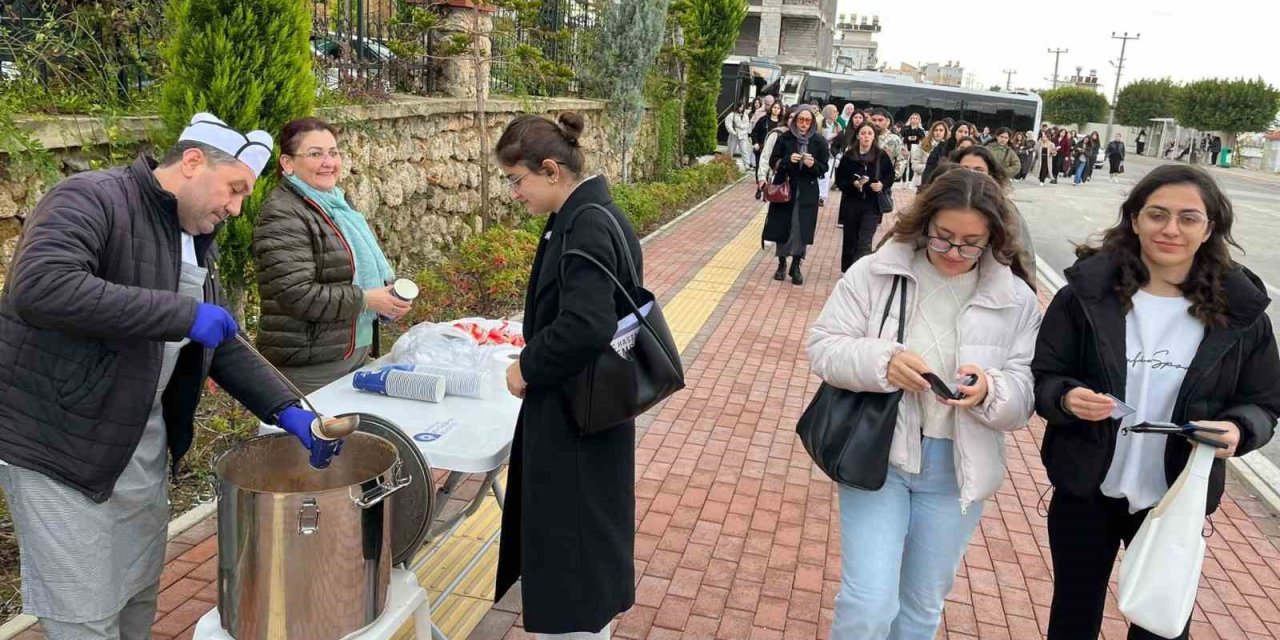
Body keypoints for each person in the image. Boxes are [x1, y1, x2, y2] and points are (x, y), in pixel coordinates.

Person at [0, 112, 326, 640]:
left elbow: (217, 341)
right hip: (58, 445)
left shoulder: (196, 235)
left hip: (137, 442)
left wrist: (290, 410)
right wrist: (181, 314)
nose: (236, 209)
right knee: (84, 609)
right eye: (235, 190)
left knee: (136, 590)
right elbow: (41, 287)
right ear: (193, 162)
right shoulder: (89, 197)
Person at [1032, 164, 1280, 640]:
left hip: (1175, 496)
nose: (1171, 229)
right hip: (1087, 487)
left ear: (1210, 228)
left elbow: (1264, 402)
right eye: (1157, 214)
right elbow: (1045, 375)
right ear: (1135, 219)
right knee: (1072, 619)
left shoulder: (1240, 311)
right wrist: (1065, 397)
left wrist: (1240, 430)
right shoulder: (1087, 295)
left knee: (1161, 628)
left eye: (1189, 218)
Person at [810, 168, 1041, 640]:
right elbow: (823, 346)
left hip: (957, 471)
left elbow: (1025, 392)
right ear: (925, 222)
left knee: (920, 608)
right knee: (869, 602)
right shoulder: (877, 271)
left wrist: (991, 391)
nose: (955, 253)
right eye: (944, 238)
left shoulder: (1015, 299)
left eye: (971, 243)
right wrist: (882, 362)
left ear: (994, 237)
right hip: (881, 457)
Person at [494, 112, 642, 639]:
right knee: (580, 549)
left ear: (551, 170)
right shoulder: (588, 214)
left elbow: (587, 323)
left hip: (575, 416)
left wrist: (527, 366)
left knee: (572, 552)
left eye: (517, 180)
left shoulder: (587, 222)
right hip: (587, 410)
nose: (514, 193)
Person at [254, 118, 412, 394]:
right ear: (288, 163)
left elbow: (350, 270)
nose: (329, 162)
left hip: (352, 350)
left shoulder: (337, 203)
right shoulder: (283, 213)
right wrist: (366, 299)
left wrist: (387, 300)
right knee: (312, 436)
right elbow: (297, 295)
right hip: (311, 364)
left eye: (333, 152)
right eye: (315, 154)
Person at [947, 148, 1037, 291]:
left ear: (991, 175)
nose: (971, 175)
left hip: (990, 288)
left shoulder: (1006, 211)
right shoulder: (940, 204)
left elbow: (1024, 256)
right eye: (964, 169)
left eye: (979, 170)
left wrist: (1026, 290)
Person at [764, 104, 830, 285]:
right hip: (786, 188)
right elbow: (773, 161)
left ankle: (796, 265)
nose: (804, 124)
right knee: (783, 225)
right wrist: (787, 160)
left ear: (813, 123)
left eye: (808, 120)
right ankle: (781, 263)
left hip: (807, 191)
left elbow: (824, 168)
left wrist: (812, 164)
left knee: (802, 228)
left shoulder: (819, 141)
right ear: (794, 121)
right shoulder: (785, 137)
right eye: (801, 119)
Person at [836, 122, 895, 272]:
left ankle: (860, 272)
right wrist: (853, 184)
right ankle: (848, 270)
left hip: (872, 204)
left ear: (874, 136)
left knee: (865, 239)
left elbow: (890, 175)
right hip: (852, 202)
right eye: (863, 133)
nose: (866, 136)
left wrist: (882, 184)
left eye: (869, 133)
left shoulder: (881, 155)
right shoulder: (849, 156)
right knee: (850, 237)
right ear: (857, 135)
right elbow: (840, 180)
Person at [869, 108, 907, 186]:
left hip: (883, 182)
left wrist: (890, 178)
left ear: (887, 121)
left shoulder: (894, 139)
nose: (876, 123)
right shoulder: (864, 136)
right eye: (874, 120)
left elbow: (901, 160)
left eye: (880, 120)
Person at [819, 104, 843, 207]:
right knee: (819, 175)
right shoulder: (820, 123)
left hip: (831, 154)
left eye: (837, 111)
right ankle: (818, 195)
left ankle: (822, 196)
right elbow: (820, 137)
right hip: (820, 153)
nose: (836, 114)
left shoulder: (837, 125)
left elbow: (840, 140)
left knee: (828, 177)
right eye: (834, 111)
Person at [917, 120, 952, 186]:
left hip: (942, 181)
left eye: (941, 130)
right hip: (923, 179)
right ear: (932, 131)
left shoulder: (948, 147)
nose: (938, 132)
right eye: (936, 130)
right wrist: (929, 168)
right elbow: (915, 164)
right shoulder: (923, 144)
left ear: (945, 132)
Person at [752, 101, 785, 170]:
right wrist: (755, 143)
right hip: (761, 147)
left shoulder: (782, 123)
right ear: (771, 108)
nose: (776, 109)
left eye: (778, 108)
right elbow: (754, 132)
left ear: (781, 110)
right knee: (760, 168)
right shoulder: (764, 119)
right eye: (774, 107)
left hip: (775, 150)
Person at [901, 113, 926, 186]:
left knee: (912, 165)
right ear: (910, 119)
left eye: (916, 118)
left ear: (919, 120)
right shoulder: (906, 128)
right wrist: (905, 146)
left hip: (915, 148)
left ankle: (909, 182)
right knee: (905, 165)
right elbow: (902, 138)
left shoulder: (920, 130)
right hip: (906, 147)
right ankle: (904, 181)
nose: (914, 120)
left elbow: (922, 140)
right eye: (913, 118)